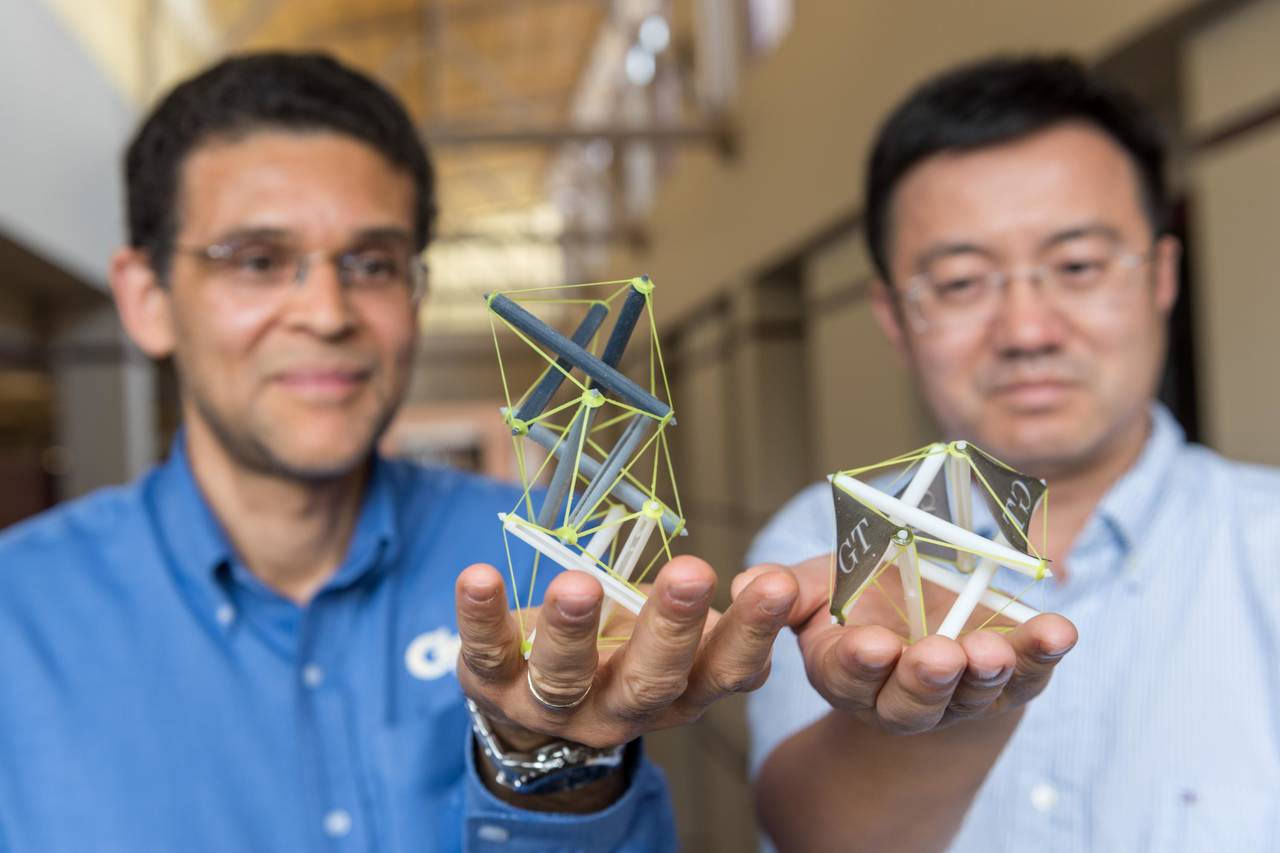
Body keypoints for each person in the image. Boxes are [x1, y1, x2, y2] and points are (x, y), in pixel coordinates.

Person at [0, 52, 801, 852]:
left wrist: (549, 764)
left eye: (373, 264)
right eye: (258, 261)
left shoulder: (546, 564)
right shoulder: (19, 617)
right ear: (147, 298)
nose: (327, 313)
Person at [739, 55, 1280, 851]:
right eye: (962, 282)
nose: (1027, 331)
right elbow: (807, 832)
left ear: (1162, 276)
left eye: (1078, 266)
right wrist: (919, 715)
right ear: (893, 318)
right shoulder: (821, 544)